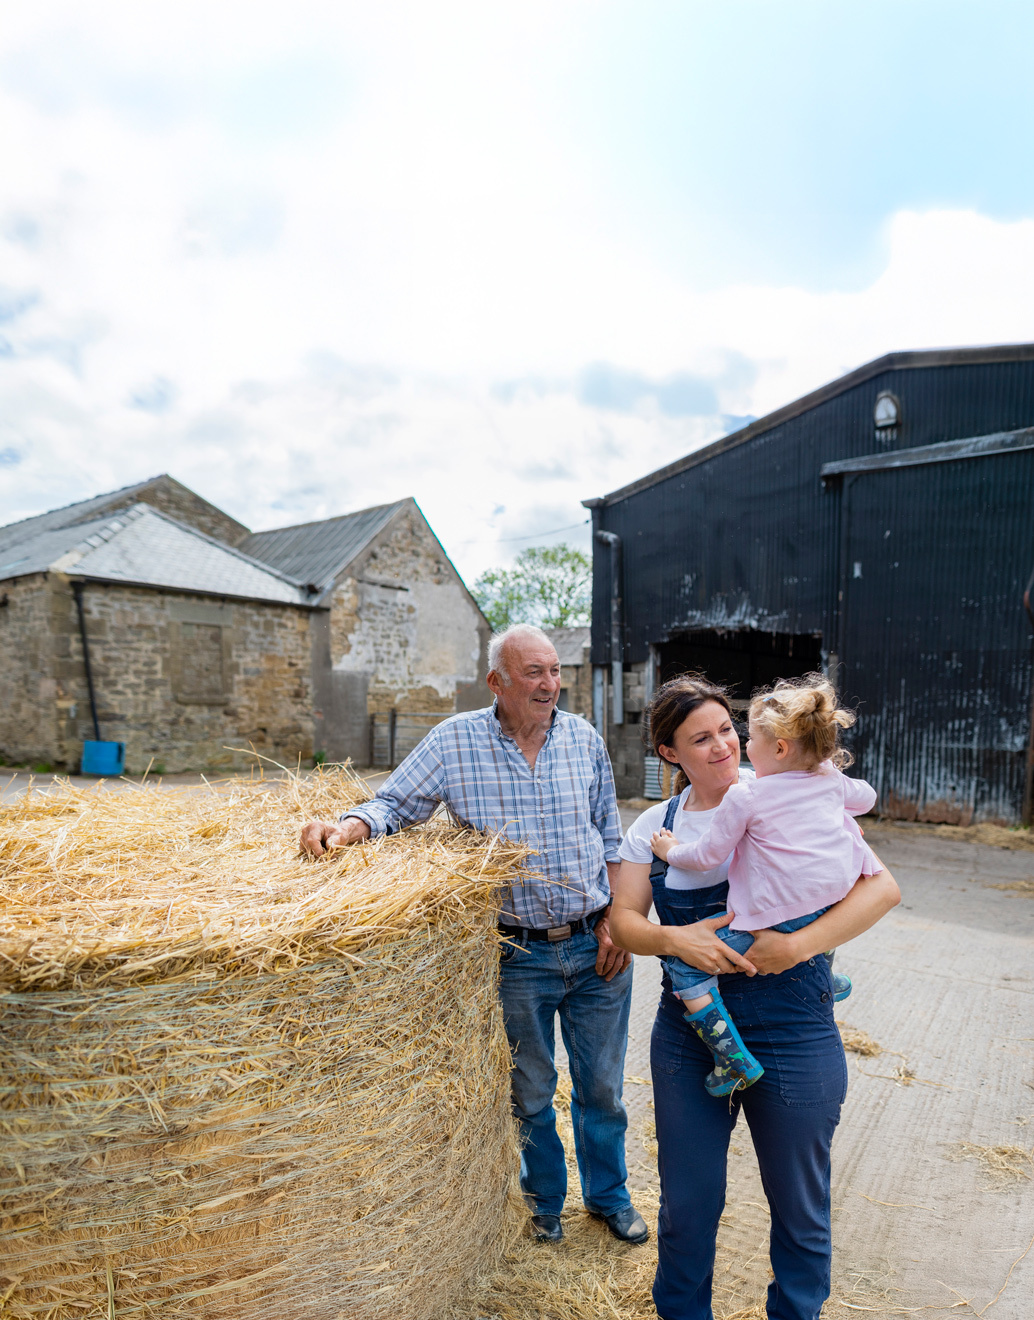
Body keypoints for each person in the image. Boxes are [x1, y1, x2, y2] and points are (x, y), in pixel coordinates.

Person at [300, 623, 647, 1248]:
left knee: (602, 1088)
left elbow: (611, 837)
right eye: (534, 673)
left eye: (554, 671)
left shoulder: (584, 739)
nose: (550, 684)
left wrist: (620, 919)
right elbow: (392, 806)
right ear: (498, 681)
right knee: (531, 1090)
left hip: (596, 941)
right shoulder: (454, 743)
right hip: (516, 953)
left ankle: (609, 1198)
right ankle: (545, 1205)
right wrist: (349, 826)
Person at [609, 674, 900, 1320]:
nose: (721, 747)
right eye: (699, 738)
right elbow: (624, 923)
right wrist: (677, 941)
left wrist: (797, 947)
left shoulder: (789, 793)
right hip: (690, 1036)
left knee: (800, 1209)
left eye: (726, 731)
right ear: (668, 753)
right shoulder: (654, 826)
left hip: (794, 1019)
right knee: (689, 1206)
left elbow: (880, 890)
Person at [648, 674, 880, 1098]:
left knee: (682, 968)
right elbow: (865, 799)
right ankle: (827, 975)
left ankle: (733, 1061)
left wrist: (670, 852)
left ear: (778, 748)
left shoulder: (747, 795)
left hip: (778, 914)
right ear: (671, 752)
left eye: (744, 737)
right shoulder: (827, 779)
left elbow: (707, 855)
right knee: (827, 895)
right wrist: (824, 769)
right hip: (832, 896)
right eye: (705, 738)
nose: (740, 747)